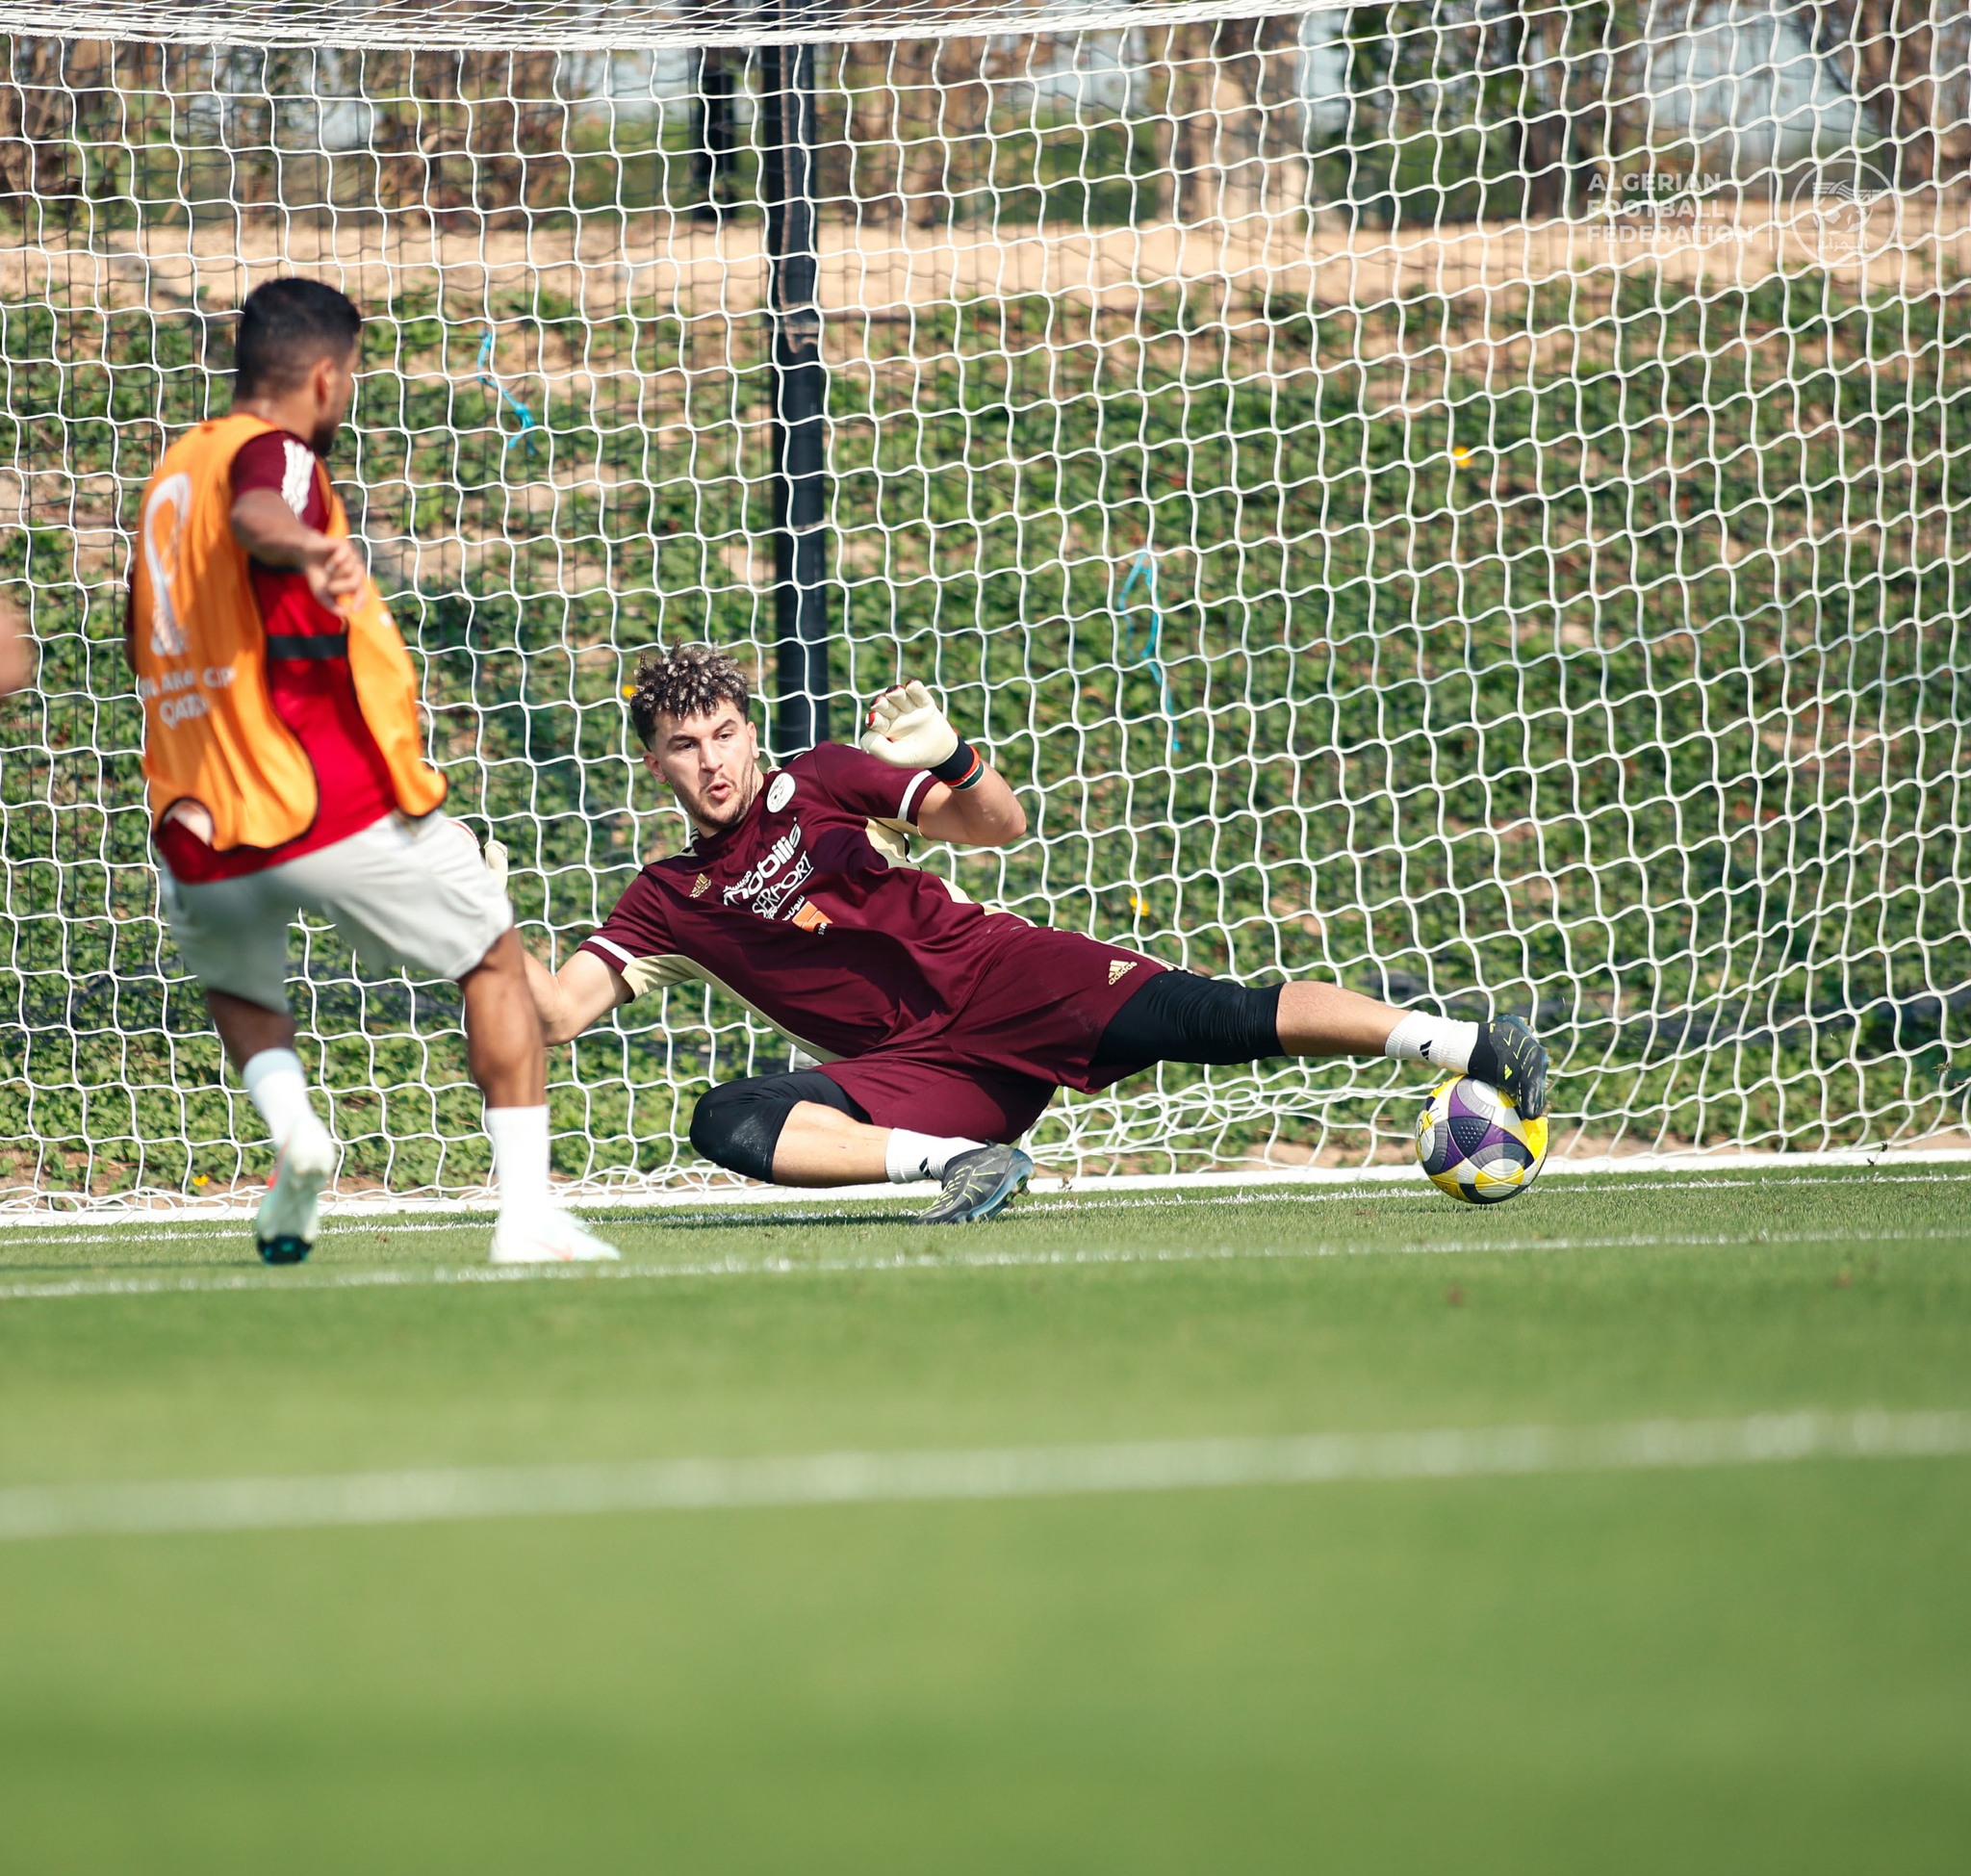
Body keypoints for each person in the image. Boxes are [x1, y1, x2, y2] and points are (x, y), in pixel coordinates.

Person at [513, 641, 1550, 1223]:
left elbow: (996, 827)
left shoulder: (823, 778)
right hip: (910, 1073)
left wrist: (956, 757)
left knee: (1218, 1017)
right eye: (684, 746)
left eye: (725, 734)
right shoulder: (665, 894)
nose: (712, 761)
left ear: (750, 729)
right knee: (726, 1119)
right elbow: (556, 1013)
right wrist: (485, 923)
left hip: (1001, 972)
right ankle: (957, 1164)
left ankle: (1466, 1045)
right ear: (654, 764)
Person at [127, 276, 615, 1266]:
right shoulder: (278, 454)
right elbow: (265, 508)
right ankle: (525, 1213)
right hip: (318, 794)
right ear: (322, 374)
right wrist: (311, 548)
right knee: (490, 955)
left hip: (193, 818)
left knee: (238, 982)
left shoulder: (169, 476)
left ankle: (295, 1127)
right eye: (347, 378)